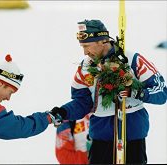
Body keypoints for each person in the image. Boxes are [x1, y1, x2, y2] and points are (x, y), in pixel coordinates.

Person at [49, 19, 167, 164]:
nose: (85, 52)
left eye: (87, 46)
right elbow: (82, 102)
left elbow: (161, 93)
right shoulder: (85, 68)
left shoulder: (132, 60)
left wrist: (137, 92)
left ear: (103, 41)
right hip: (100, 139)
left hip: (132, 136)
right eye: (82, 47)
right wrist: (63, 112)